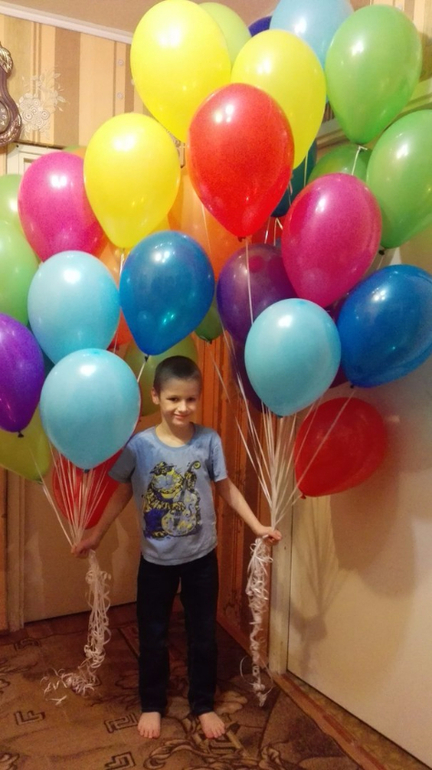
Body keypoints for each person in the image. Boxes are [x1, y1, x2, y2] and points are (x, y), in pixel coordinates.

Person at [72, 355, 281, 741]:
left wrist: (257, 526)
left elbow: (226, 488)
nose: (182, 407)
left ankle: (203, 704)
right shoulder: (139, 446)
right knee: (153, 634)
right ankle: (152, 702)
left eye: (190, 399)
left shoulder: (208, 440)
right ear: (156, 396)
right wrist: (96, 534)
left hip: (202, 559)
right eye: (173, 399)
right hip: (156, 563)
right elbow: (120, 493)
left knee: (203, 635)